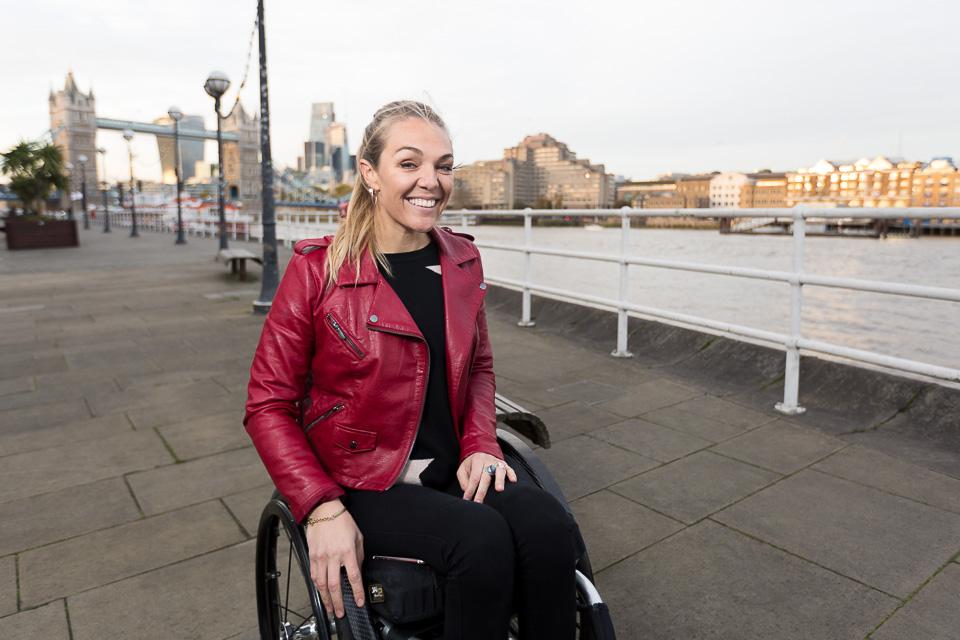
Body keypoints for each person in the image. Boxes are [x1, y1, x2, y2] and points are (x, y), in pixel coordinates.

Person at [245, 100, 579, 639]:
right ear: (370, 173)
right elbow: (267, 405)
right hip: (362, 479)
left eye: (444, 166)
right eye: (409, 163)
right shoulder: (317, 272)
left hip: (451, 465)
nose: (431, 181)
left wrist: (479, 445)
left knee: (548, 528)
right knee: (480, 542)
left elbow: (479, 368)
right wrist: (320, 508)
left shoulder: (462, 261)